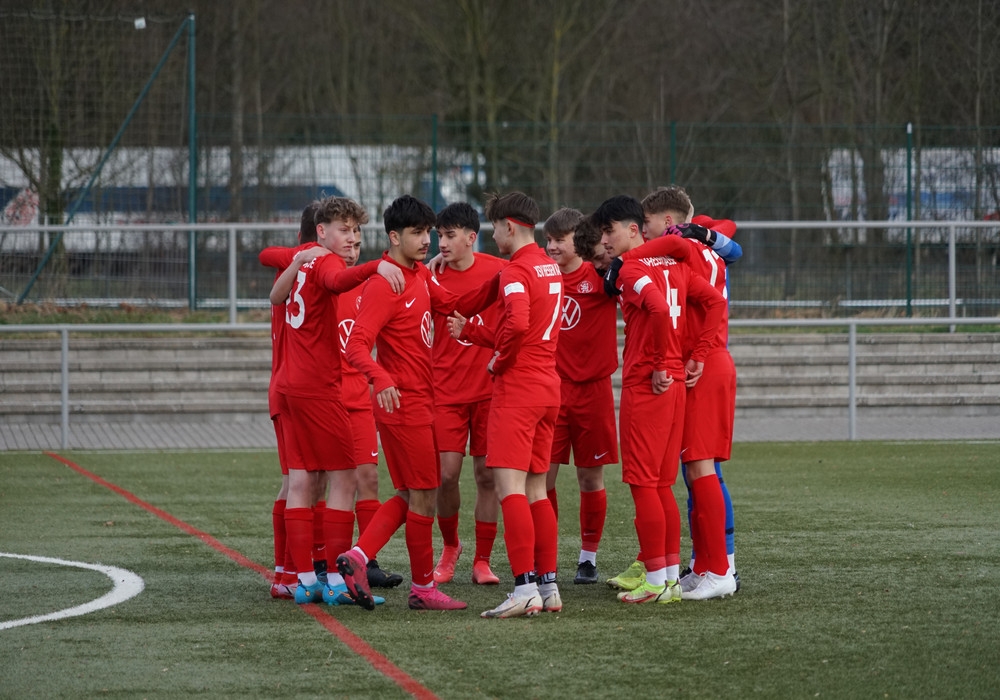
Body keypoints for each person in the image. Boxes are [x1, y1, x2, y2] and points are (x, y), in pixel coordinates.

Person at [336, 194, 499, 612]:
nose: (427, 240)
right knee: (424, 494)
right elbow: (356, 345)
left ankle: (358, 556)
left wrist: (504, 280)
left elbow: (457, 305)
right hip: (403, 406)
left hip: (421, 402)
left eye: (429, 232)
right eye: (418, 233)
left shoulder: (419, 275)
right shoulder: (384, 284)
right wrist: (381, 377)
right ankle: (423, 589)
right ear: (394, 237)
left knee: (411, 493)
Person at [263, 195, 403, 606]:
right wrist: (376, 266)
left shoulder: (305, 260)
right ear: (321, 232)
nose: (352, 239)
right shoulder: (327, 263)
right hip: (318, 388)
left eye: (356, 233)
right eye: (345, 230)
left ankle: (302, 578)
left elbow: (275, 294)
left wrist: (295, 262)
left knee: (301, 480)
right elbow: (338, 282)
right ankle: (337, 582)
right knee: (343, 479)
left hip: (290, 385)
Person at [606, 186, 743, 596]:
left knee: (700, 470)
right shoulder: (705, 248)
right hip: (699, 359)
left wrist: (625, 260)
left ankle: (721, 569)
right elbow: (729, 238)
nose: (644, 232)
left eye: (647, 224)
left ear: (669, 224)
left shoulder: (679, 251)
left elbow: (680, 252)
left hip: (697, 362)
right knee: (692, 472)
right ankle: (704, 565)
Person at [463, 192, 563, 619]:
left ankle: (523, 587)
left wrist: (500, 359)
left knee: (510, 489)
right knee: (537, 490)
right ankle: (548, 586)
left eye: (494, 228)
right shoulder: (548, 265)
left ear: (509, 226)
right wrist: (474, 332)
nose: (493, 236)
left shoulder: (517, 270)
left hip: (518, 389)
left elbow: (518, 323)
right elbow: (526, 325)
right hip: (547, 387)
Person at [429, 202, 505, 587]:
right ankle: (450, 547)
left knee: (487, 475)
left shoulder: (499, 270)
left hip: (490, 390)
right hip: (444, 389)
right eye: (439, 236)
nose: (441, 243)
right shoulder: (429, 275)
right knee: (446, 475)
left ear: (471, 237)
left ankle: (483, 560)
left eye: (449, 235)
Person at [542, 209, 619, 585]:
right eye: (548, 240)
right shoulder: (541, 275)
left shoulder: (604, 275)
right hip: (551, 391)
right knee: (542, 479)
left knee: (591, 478)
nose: (552, 247)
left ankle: (588, 559)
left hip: (594, 391)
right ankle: (546, 556)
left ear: (581, 241)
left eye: (560, 239)